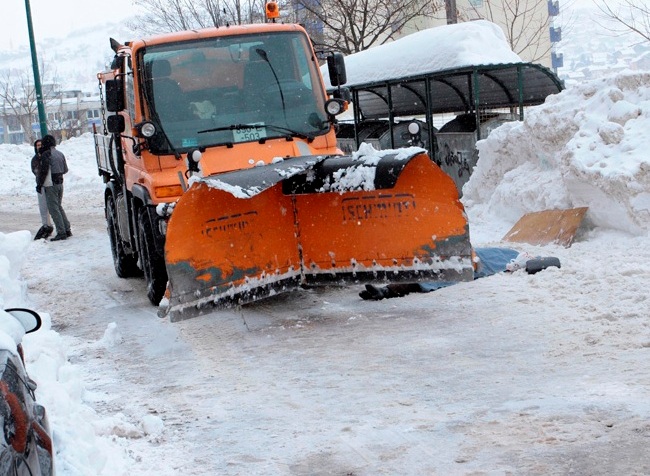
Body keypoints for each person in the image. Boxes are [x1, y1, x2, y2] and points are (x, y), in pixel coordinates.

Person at [36, 135, 71, 241]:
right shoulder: (60, 153)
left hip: (51, 184)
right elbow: (65, 169)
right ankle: (67, 229)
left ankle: (61, 232)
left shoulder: (46, 154)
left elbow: (44, 171)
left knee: (53, 209)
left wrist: (39, 184)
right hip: (60, 183)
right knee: (59, 207)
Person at [31, 139, 54, 240]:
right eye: (37, 145)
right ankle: (46, 225)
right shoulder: (35, 159)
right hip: (41, 185)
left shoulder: (47, 155)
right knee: (43, 208)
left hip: (48, 185)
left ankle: (50, 225)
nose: (39, 147)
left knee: (52, 207)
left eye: (41, 145)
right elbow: (36, 171)